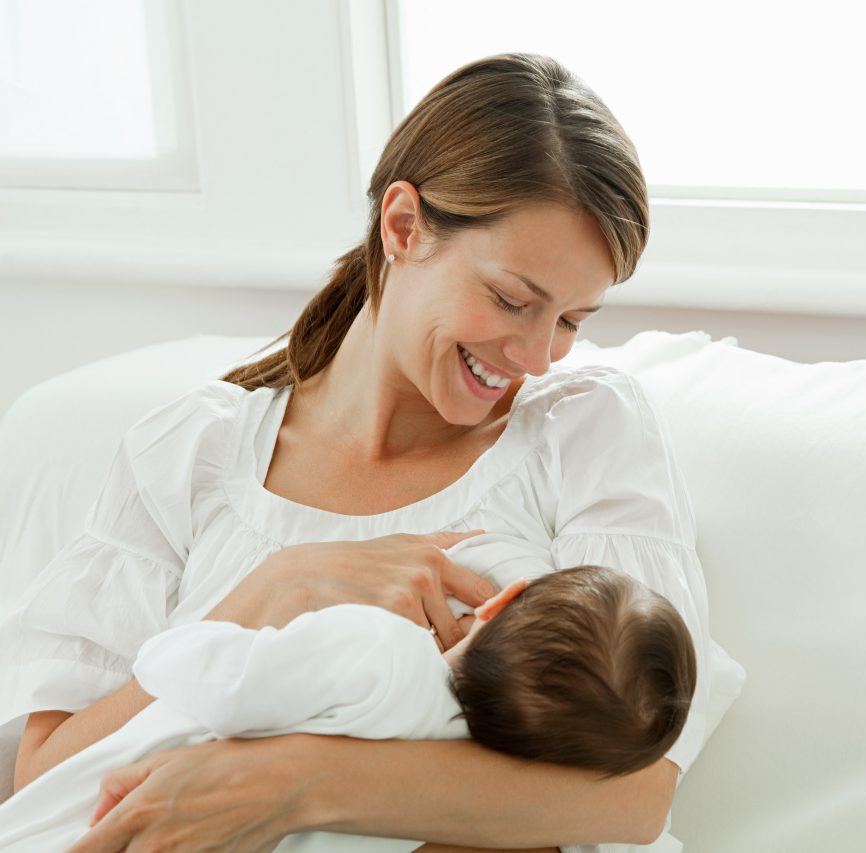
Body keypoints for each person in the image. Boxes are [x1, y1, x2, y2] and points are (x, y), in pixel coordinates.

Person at [0, 51, 745, 852]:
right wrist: (276, 586)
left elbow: (634, 795)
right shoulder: (192, 450)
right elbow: (45, 781)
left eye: (570, 320)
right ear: (402, 226)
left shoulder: (584, 433)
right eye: (512, 300)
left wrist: (289, 786)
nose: (537, 356)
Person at [0, 565, 698, 852]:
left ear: (501, 598)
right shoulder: (445, 787)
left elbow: (230, 683)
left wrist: (179, 643)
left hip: (89, 815)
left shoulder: (384, 652)